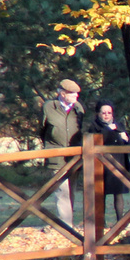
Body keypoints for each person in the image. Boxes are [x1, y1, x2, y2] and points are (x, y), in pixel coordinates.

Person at [37, 79, 84, 224]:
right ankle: (66, 225)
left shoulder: (79, 108)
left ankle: (69, 221)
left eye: (77, 94)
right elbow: (42, 130)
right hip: (56, 156)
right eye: (72, 94)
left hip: (74, 157)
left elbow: (81, 129)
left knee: (72, 189)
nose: (76, 96)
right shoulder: (49, 107)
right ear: (62, 94)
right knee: (62, 191)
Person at [87, 100, 130, 221]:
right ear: (98, 113)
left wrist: (127, 138)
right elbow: (95, 141)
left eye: (109, 112)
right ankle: (100, 222)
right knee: (100, 194)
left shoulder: (119, 125)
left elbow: (128, 143)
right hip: (101, 165)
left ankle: (120, 221)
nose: (107, 115)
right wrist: (108, 129)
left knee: (118, 194)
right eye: (104, 112)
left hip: (119, 163)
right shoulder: (94, 126)